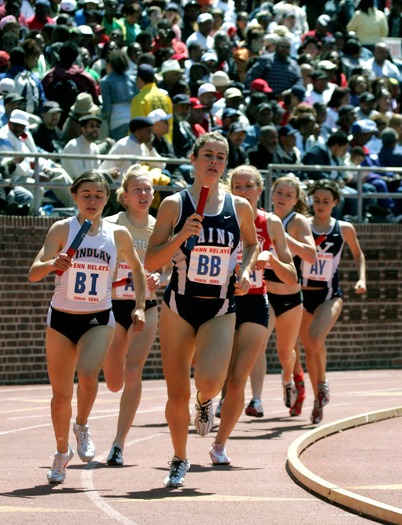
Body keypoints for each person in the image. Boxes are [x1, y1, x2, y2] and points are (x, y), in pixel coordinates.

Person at [144, 132, 259, 488]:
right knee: (176, 394)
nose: (214, 162)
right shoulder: (174, 205)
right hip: (179, 307)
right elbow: (150, 258)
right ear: (193, 160)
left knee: (209, 380)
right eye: (207, 154)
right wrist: (180, 236)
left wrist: (246, 271)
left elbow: (252, 244)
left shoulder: (239, 207)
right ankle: (179, 458)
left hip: (221, 306)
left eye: (221, 157)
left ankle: (206, 400)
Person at [28, 171, 147, 484]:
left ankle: (81, 425)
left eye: (98, 195)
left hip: (98, 317)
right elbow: (34, 272)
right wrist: (53, 263)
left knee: (89, 374)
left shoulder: (117, 233)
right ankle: (60, 450)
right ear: (75, 197)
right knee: (60, 395)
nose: (92, 200)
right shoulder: (62, 229)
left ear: (107, 199)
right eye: (86, 195)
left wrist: (139, 305)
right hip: (62, 319)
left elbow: (137, 269)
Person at [210, 165, 296, 465]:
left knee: (237, 378)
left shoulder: (270, 223)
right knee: (214, 373)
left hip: (256, 301)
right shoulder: (218, 216)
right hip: (220, 301)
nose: (243, 191)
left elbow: (292, 276)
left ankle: (220, 444)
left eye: (249, 186)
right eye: (237, 186)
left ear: (260, 190)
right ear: (228, 188)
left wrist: (269, 257)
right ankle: (205, 399)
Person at [102, 165, 167, 466]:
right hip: (113, 304)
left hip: (147, 306)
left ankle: (118, 443)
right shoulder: (111, 224)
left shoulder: (159, 228)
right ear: (125, 196)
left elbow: (171, 266)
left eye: (148, 190)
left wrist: (159, 279)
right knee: (114, 381)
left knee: (133, 372)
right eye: (137, 190)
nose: (143, 194)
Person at [246, 175, 317, 418]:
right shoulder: (261, 218)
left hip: (289, 297)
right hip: (265, 292)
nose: (283, 198)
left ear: (296, 199)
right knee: (258, 345)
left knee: (286, 353)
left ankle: (288, 379)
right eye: (279, 193)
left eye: (289, 194)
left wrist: (284, 238)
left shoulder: (297, 222)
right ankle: (256, 400)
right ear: (271, 194)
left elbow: (311, 255)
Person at [300, 179, 367, 424]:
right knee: (309, 347)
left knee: (316, 338)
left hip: (329, 294)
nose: (320, 205)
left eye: (326, 201)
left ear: (335, 203)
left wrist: (361, 279)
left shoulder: (344, 228)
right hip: (302, 294)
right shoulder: (302, 225)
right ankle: (319, 392)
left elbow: (359, 255)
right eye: (316, 201)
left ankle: (322, 384)